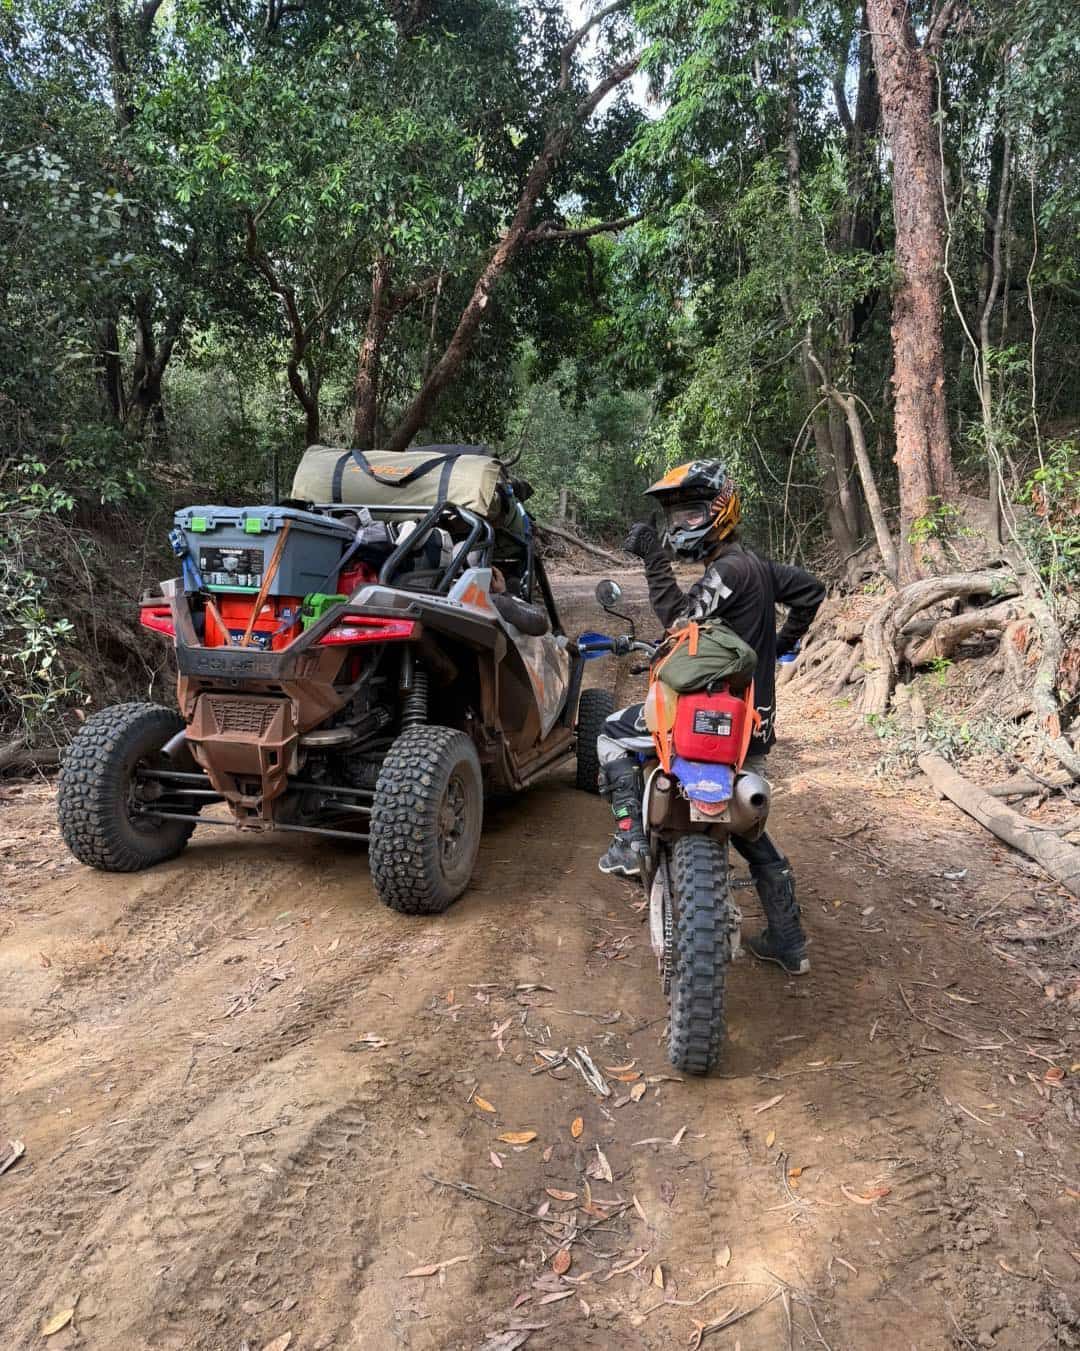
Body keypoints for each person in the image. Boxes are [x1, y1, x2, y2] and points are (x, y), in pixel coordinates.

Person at [596, 459, 825, 976]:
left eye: (693, 515)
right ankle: (788, 940)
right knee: (746, 825)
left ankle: (630, 837)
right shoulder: (758, 567)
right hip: (754, 723)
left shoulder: (730, 570)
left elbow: (679, 622)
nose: (682, 528)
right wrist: (778, 648)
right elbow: (811, 591)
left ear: (722, 511)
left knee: (611, 735)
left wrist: (654, 559)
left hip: (704, 719)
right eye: (675, 520)